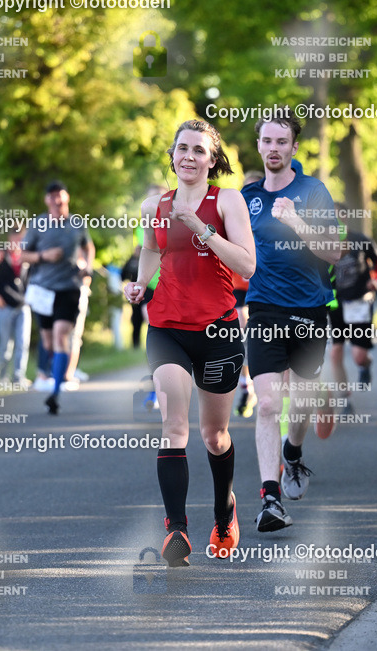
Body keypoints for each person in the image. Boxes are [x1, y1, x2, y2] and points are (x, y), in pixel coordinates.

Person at [123, 119, 255, 567]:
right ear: (172, 155)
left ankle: (224, 512)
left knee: (214, 435)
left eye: (199, 150)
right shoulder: (153, 205)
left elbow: (248, 265)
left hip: (218, 330)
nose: (189, 156)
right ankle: (176, 530)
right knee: (174, 427)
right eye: (182, 148)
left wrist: (200, 226)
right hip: (167, 329)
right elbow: (151, 250)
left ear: (213, 159)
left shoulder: (228, 201)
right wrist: (140, 285)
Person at [242, 109, 341, 532]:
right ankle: (270, 498)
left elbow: (334, 252)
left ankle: (294, 453)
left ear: (294, 147)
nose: (274, 149)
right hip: (263, 307)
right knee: (267, 403)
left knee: (300, 406)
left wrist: (296, 220)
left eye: (282, 142)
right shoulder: (246, 198)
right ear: (259, 145)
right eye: (267, 141)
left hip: (309, 309)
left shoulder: (313, 191)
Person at [21, 182, 95, 414]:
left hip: (69, 287)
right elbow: (22, 254)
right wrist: (44, 255)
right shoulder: (37, 225)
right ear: (47, 201)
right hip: (43, 289)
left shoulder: (77, 223)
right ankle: (53, 376)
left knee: (61, 334)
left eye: (61, 198)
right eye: (53, 198)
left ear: (67, 198)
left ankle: (55, 391)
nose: (57, 201)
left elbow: (88, 247)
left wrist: (88, 268)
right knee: (48, 341)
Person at [326, 210, 377, 414]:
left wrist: (375, 279)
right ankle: (344, 398)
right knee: (335, 352)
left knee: (359, 355)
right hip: (334, 304)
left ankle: (365, 365)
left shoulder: (360, 240)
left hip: (359, 302)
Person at [233, 170, 264, 419]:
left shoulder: (269, 218)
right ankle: (248, 388)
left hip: (264, 288)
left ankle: (263, 386)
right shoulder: (233, 217)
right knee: (242, 335)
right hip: (238, 288)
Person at [0, 228, 31, 386]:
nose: (18, 242)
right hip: (5, 305)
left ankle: (19, 376)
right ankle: (2, 376)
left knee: (23, 342)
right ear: (10, 237)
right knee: (5, 343)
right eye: (16, 238)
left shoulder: (27, 257)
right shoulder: (0, 256)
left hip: (23, 305)